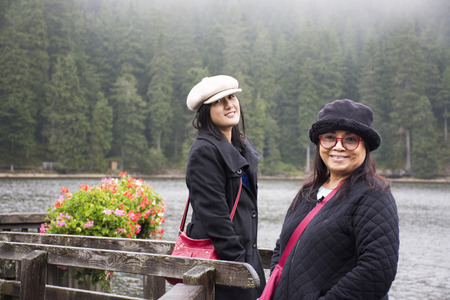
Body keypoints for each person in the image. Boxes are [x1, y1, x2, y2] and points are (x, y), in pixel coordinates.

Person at [269, 99, 400, 299]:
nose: (338, 147)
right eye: (330, 138)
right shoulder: (308, 192)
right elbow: (282, 247)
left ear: (365, 146)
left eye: (350, 139)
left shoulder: (374, 195)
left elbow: (377, 270)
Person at [184, 75, 266, 299]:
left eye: (232, 97)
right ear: (205, 110)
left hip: (247, 260)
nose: (230, 104)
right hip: (225, 267)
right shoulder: (204, 151)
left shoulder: (241, 145)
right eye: (220, 101)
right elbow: (215, 218)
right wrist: (239, 268)